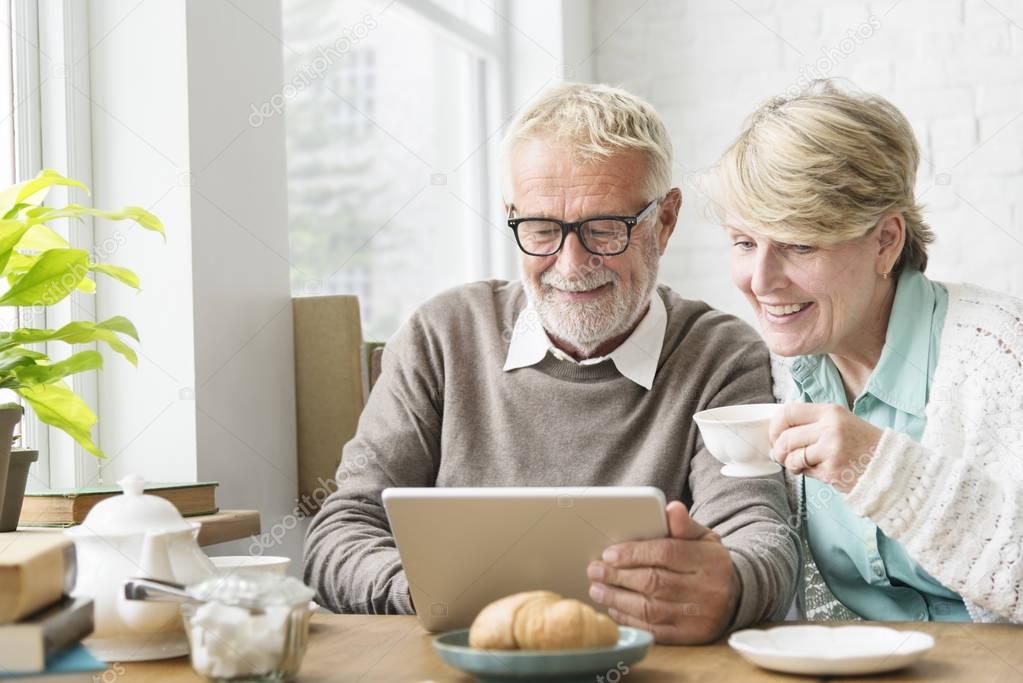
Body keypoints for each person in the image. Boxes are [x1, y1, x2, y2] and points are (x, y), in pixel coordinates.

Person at [304, 82, 798, 644]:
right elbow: (339, 535)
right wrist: (437, 594)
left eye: (605, 229)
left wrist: (729, 588)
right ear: (511, 216)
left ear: (664, 220)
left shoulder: (722, 354)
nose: (571, 262)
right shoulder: (441, 336)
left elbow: (759, 538)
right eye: (541, 229)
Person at [709, 78, 1023, 622]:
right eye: (744, 243)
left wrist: (879, 468)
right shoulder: (780, 372)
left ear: (886, 241)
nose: (761, 281)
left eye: (799, 244)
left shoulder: (998, 354)